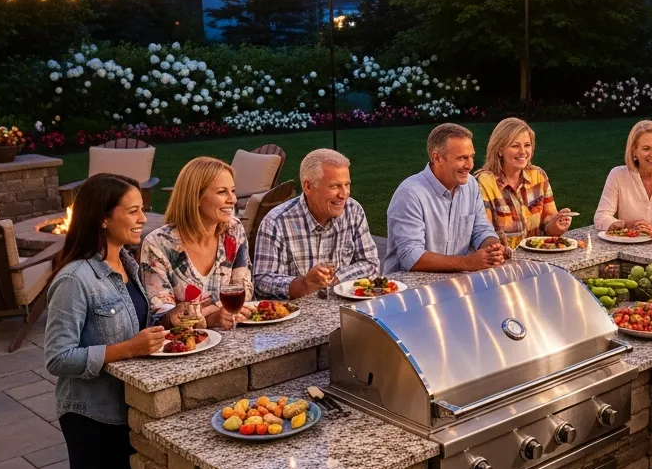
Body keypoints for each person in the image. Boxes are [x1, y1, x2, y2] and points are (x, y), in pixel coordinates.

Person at [44, 174, 168, 469]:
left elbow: (134, 325)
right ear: (102, 217)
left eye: (142, 209)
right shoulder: (75, 279)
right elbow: (57, 357)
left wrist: (173, 321)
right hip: (92, 414)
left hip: (124, 407)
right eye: (132, 211)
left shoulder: (128, 262)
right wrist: (126, 349)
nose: (142, 218)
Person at [253, 148, 380, 298]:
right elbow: (261, 282)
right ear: (308, 187)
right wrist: (304, 284)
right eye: (334, 186)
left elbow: (371, 263)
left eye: (347, 184)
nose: (344, 194)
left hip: (344, 305)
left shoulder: (353, 211)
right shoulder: (276, 222)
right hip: (297, 314)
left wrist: (334, 279)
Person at [139, 157, 249, 327]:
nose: (233, 199)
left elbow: (244, 290)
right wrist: (210, 319)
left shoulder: (233, 230)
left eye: (233, 190)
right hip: (185, 346)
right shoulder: (158, 244)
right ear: (195, 198)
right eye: (222, 192)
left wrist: (215, 315)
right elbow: (162, 315)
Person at [385, 123, 505, 273]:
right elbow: (411, 257)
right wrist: (468, 263)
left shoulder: (471, 185)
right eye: (462, 158)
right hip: (410, 289)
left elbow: (481, 229)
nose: (470, 165)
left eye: (471, 157)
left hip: (456, 282)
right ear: (437, 158)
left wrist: (492, 247)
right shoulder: (410, 194)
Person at [474, 117, 575, 244]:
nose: (523, 152)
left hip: (538, 256)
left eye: (527, 145)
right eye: (515, 146)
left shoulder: (538, 175)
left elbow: (549, 226)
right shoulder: (483, 182)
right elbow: (482, 233)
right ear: (500, 150)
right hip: (501, 259)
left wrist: (558, 223)